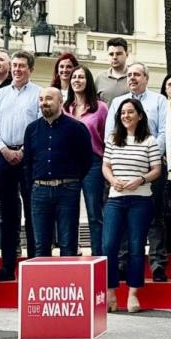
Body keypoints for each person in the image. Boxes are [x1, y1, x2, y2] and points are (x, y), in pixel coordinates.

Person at [105, 63, 169, 281]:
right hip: (121, 170)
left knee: (155, 217)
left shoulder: (159, 101)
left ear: (146, 78)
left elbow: (163, 132)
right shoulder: (117, 103)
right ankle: (123, 264)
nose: (132, 78)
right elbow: (110, 134)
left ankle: (158, 264)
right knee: (121, 220)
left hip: (151, 166)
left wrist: (147, 155)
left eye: (137, 74)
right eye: (129, 74)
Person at [102, 98, 162, 313]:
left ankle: (133, 294)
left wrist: (141, 179)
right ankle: (110, 293)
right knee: (109, 245)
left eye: (130, 112)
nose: (126, 116)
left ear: (139, 115)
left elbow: (157, 169)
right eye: (123, 113)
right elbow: (106, 166)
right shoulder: (112, 139)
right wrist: (112, 180)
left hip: (140, 199)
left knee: (136, 247)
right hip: (115, 198)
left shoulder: (149, 140)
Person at [0, 51, 41, 281]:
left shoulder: (39, 93)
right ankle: (8, 266)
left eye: (22, 66)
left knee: (32, 212)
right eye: (15, 66)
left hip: (28, 158)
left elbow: (39, 126)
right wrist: (4, 149)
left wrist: (22, 152)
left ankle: (35, 265)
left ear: (30, 69)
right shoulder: (0, 95)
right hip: (4, 155)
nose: (17, 70)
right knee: (9, 214)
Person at [23, 87, 93, 257]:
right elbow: (28, 162)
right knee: (41, 245)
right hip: (39, 191)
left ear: (60, 101)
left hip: (67, 190)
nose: (44, 103)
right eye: (41, 99)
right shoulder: (31, 129)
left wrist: (72, 180)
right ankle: (43, 283)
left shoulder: (77, 128)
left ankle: (67, 283)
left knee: (68, 244)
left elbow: (86, 160)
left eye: (48, 98)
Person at [65, 66, 109, 256]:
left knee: (94, 212)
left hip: (93, 162)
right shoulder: (64, 108)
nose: (77, 80)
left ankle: (98, 256)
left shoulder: (100, 107)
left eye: (81, 77)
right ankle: (71, 254)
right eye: (74, 77)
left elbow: (107, 137)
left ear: (88, 81)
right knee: (68, 212)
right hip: (68, 164)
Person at [95, 37, 130, 103]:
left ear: (127, 54)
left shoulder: (134, 76)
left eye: (118, 54)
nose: (114, 57)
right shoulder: (100, 78)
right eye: (111, 54)